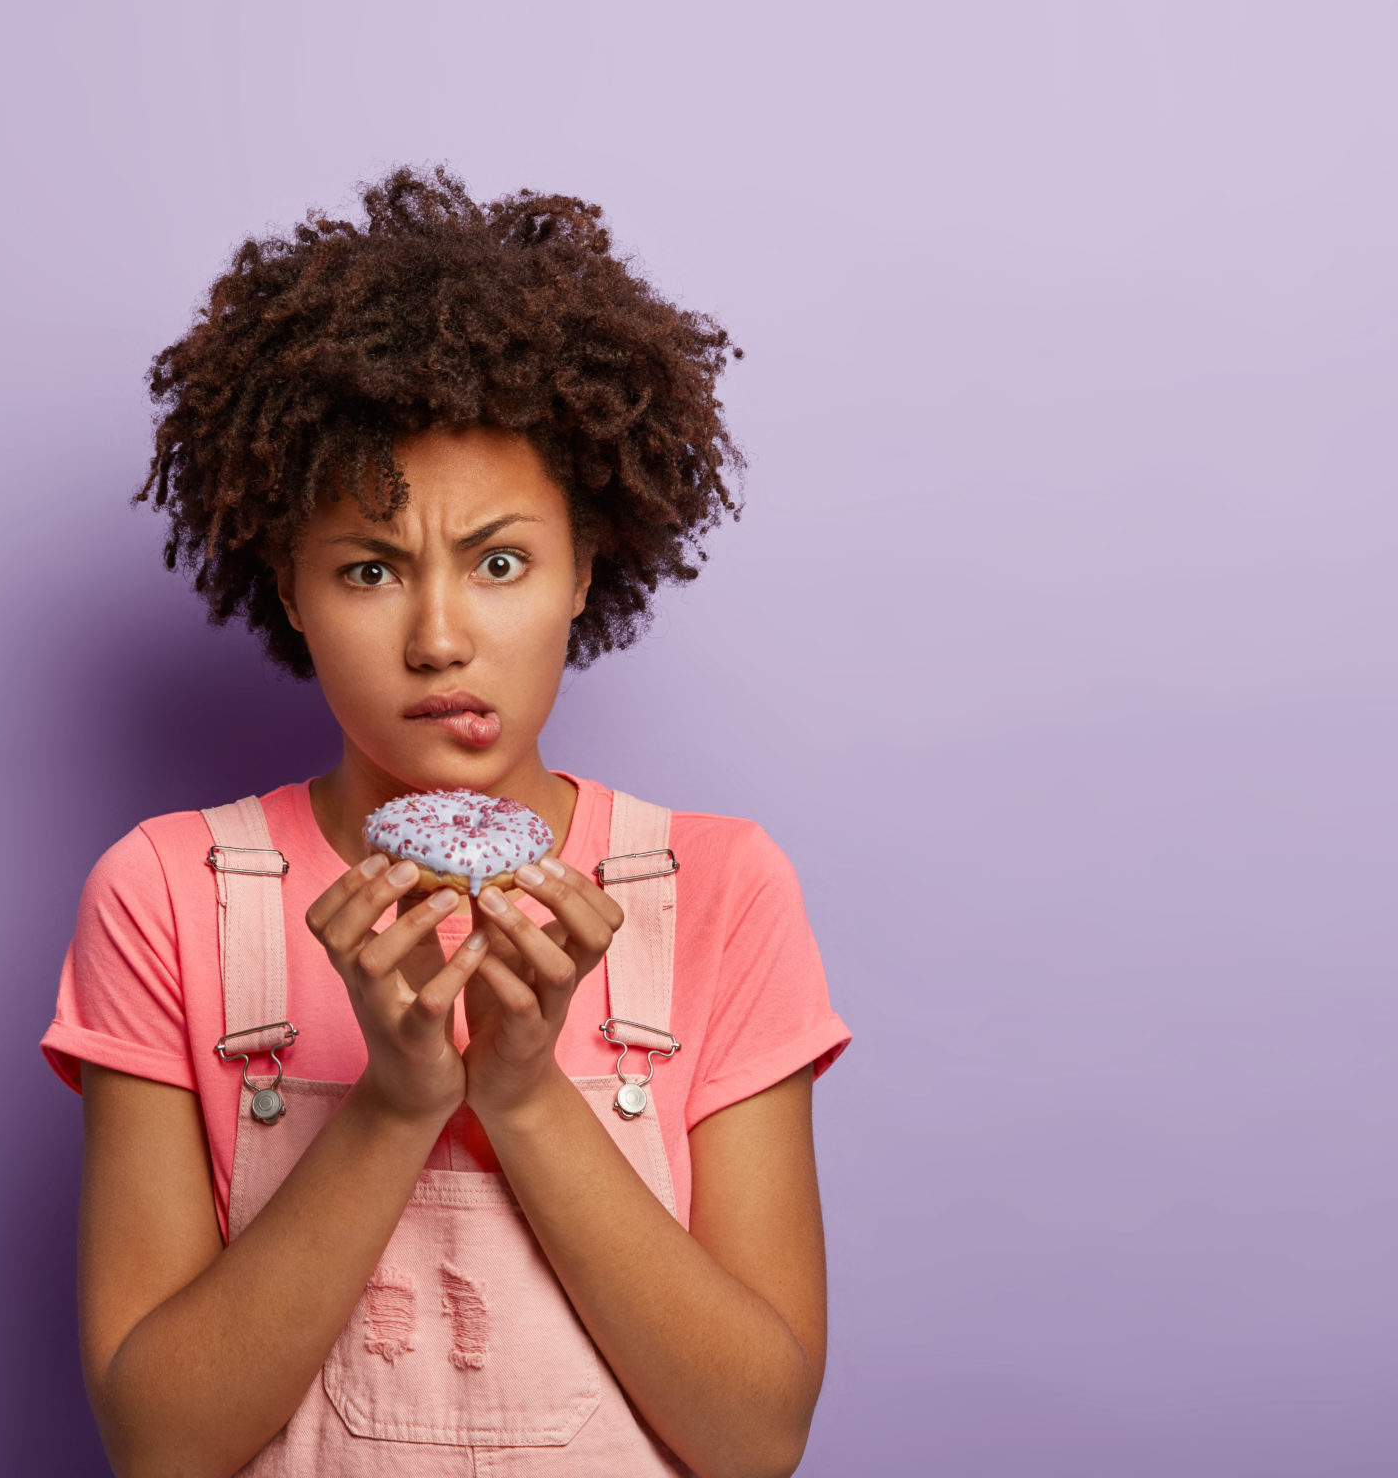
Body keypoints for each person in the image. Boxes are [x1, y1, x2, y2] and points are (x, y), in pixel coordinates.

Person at [41, 167, 851, 1478]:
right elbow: (162, 1444)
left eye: (500, 561)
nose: (438, 638)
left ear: (588, 565)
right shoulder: (169, 893)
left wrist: (524, 1095)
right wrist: (396, 1102)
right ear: (289, 588)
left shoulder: (720, 887)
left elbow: (755, 1439)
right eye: (370, 569)